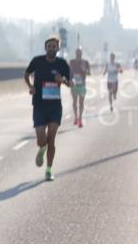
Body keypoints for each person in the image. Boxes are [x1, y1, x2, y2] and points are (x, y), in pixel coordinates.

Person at [24, 35, 72, 181]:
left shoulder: (62, 64)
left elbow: (71, 83)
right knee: (41, 139)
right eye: (49, 46)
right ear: (45, 48)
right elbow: (26, 74)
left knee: (52, 139)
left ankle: (49, 170)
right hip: (39, 105)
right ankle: (41, 148)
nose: (51, 48)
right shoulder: (37, 61)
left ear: (58, 48)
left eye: (54, 46)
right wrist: (31, 86)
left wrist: (62, 80)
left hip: (55, 107)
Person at [68, 47, 91, 127]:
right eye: (77, 52)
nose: (79, 54)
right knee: (74, 101)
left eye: (80, 52)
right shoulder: (71, 62)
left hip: (82, 85)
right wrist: (70, 80)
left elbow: (89, 73)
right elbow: (69, 72)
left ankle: (80, 119)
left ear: (82, 53)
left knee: (81, 102)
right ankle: (76, 117)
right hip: (74, 84)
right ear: (75, 53)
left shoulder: (85, 62)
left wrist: (84, 70)